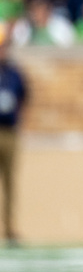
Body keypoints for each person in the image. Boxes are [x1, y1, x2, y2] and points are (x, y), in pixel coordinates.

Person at [0, 26, 28, 244]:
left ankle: (10, 230)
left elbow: (25, 98)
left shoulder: (14, 73)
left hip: (9, 131)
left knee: (10, 183)